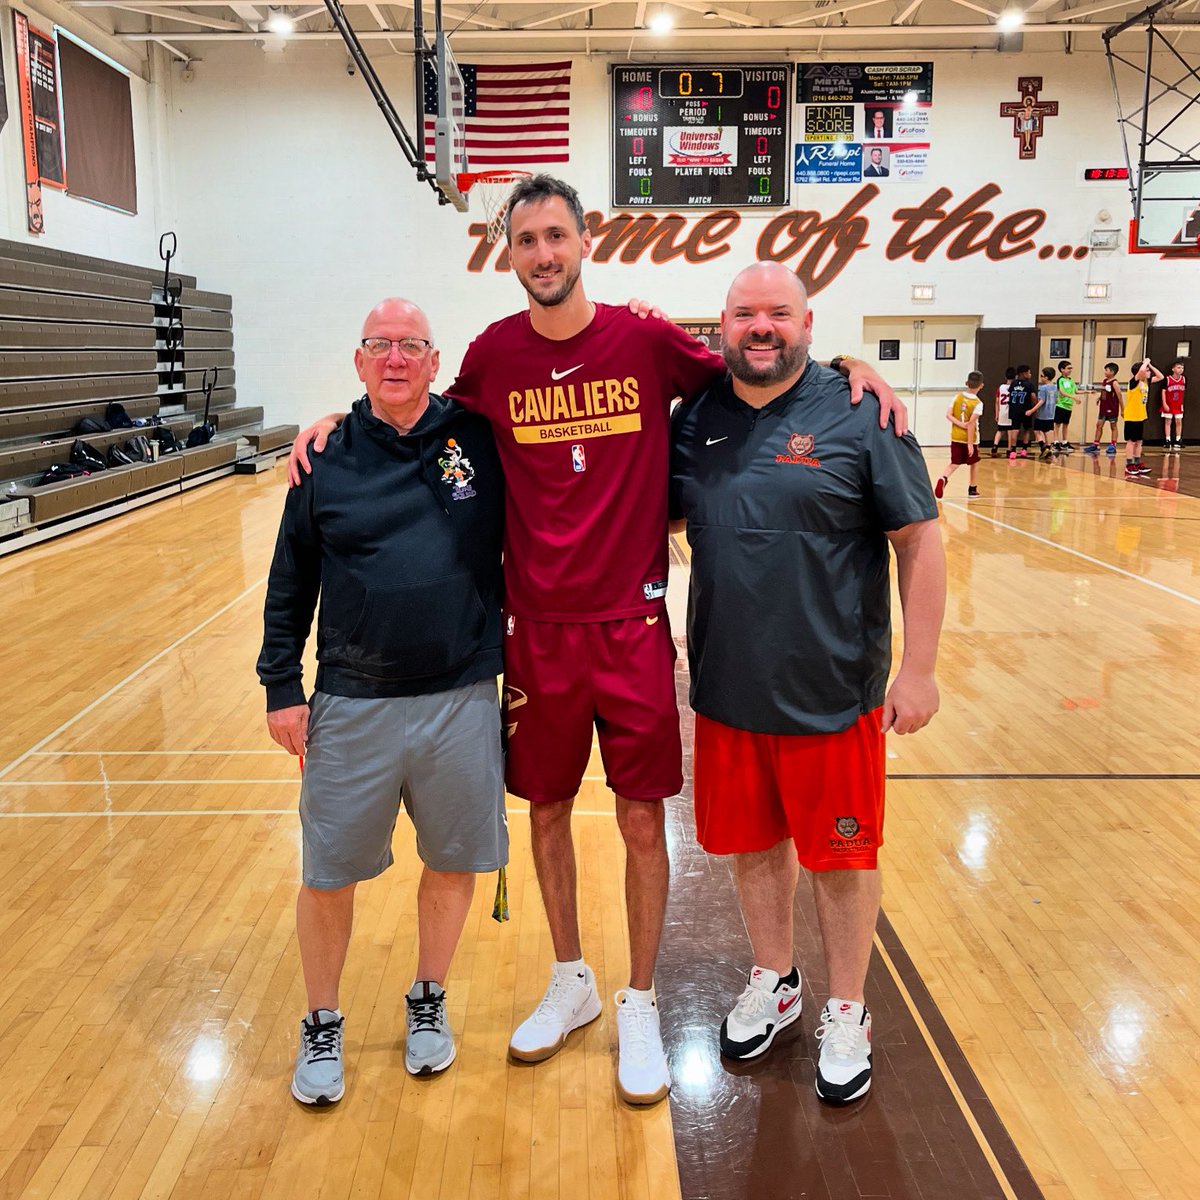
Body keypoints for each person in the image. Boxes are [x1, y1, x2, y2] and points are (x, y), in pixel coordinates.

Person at [288, 175, 907, 1106]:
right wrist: (342, 416)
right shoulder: (493, 357)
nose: (543, 253)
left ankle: (642, 999)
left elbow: (764, 372)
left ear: (586, 242)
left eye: (556, 236)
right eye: (526, 239)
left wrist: (854, 368)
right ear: (510, 253)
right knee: (543, 813)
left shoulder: (647, 340)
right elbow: (419, 418)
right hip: (533, 634)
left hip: (633, 630)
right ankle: (571, 977)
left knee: (639, 816)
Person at [669, 262, 944, 1105]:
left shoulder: (864, 411)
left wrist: (920, 667)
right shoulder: (694, 418)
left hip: (833, 691)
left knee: (843, 855)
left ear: (808, 322)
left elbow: (920, 542)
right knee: (755, 849)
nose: (761, 327)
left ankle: (850, 1007)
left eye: (777, 314)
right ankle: (777, 978)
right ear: (720, 324)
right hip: (727, 687)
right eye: (746, 313)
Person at [259, 298, 508, 1106]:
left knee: (452, 862)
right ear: (358, 361)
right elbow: (290, 576)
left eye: (411, 346)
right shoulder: (324, 456)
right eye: (380, 346)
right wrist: (280, 688)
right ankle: (322, 1020)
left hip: (461, 695)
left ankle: (427, 998)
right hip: (351, 698)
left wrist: (850, 370)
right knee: (329, 875)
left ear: (436, 361)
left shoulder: (479, 437)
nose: (395, 359)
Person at [935, 371, 983, 498]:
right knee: (974, 463)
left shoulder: (957, 397)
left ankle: (943, 477)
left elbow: (948, 415)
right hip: (970, 438)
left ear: (967, 383)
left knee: (954, 463)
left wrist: (960, 425)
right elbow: (971, 424)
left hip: (956, 436)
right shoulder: (978, 403)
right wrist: (970, 444)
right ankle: (972, 489)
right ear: (981, 385)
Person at [1123, 357, 1163, 477]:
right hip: (1131, 416)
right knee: (1131, 441)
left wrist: (1150, 365)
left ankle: (1136, 463)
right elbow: (1140, 372)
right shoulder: (1133, 382)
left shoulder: (1146, 382)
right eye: (1147, 370)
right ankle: (1129, 465)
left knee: (1139, 441)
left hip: (1140, 416)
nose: (1148, 372)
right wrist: (1145, 363)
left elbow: (1161, 376)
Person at [1085, 362, 1122, 455]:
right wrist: (1099, 398)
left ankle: (1113, 445)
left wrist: (1123, 408)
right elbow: (1104, 392)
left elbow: (1119, 396)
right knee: (1099, 425)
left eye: (1107, 370)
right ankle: (1096, 444)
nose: (1105, 372)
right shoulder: (1105, 381)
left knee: (1113, 426)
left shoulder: (1115, 382)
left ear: (1112, 372)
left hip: (1112, 408)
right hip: (1103, 408)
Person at [1053, 359, 1089, 453]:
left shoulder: (1071, 380)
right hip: (1061, 405)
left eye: (1071, 368)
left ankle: (1064, 442)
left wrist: (1087, 392)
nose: (1070, 370)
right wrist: (1073, 397)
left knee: (1066, 424)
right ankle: (1056, 442)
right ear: (1062, 369)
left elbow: (1076, 391)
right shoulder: (1060, 380)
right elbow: (1062, 392)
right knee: (1057, 424)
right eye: (1068, 368)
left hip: (1069, 406)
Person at [1006, 365, 1036, 457]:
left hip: (1014, 409)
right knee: (1026, 429)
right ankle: (1024, 449)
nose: (1030, 374)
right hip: (1026, 409)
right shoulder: (1029, 385)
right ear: (1024, 373)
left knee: (1015, 430)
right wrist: (1035, 405)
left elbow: (1010, 395)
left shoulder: (1013, 383)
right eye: (1029, 372)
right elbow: (1033, 397)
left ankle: (1013, 450)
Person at [1031, 366, 1058, 460]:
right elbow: (1057, 400)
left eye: (1042, 376)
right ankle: (1048, 449)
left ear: (1046, 377)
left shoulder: (1043, 388)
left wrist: (1032, 410)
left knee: (1036, 430)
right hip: (1051, 414)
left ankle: (1043, 447)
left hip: (1042, 414)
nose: (1041, 378)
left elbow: (1042, 401)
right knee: (1047, 431)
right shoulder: (1054, 387)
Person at [991, 366, 1015, 457]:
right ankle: (1009, 449)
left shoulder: (1001, 387)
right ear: (1015, 377)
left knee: (1000, 430)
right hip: (1010, 412)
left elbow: (997, 401)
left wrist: (997, 414)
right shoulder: (1014, 388)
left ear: (1005, 376)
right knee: (1010, 431)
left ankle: (994, 446)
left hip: (1002, 411)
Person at [1162, 360, 1186, 449]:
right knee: (1168, 421)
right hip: (1168, 404)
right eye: (1179, 367)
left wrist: (1182, 404)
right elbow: (1163, 391)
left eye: (1182, 368)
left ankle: (1178, 439)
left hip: (1178, 404)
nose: (1181, 370)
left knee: (1179, 421)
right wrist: (1164, 403)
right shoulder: (1167, 379)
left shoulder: (1183, 379)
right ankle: (1167, 440)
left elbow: (1183, 392)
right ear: (1173, 369)